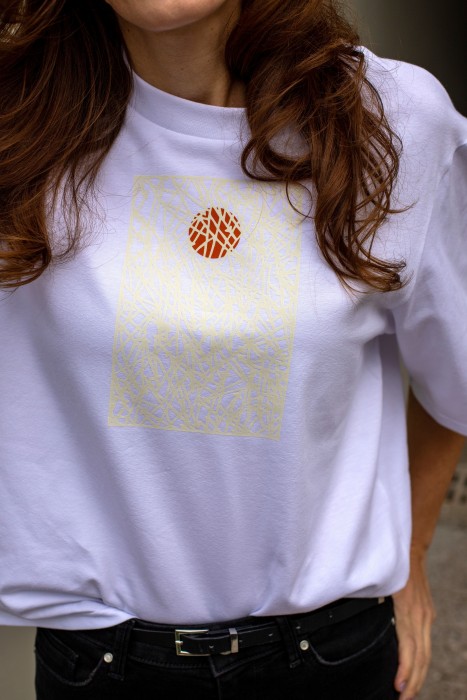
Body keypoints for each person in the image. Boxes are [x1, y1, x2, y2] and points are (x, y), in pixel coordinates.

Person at [0, 1, 466, 698]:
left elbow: (456, 379)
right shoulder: (18, 124)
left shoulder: (392, 120)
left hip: (329, 656)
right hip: (101, 665)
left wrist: (412, 551)